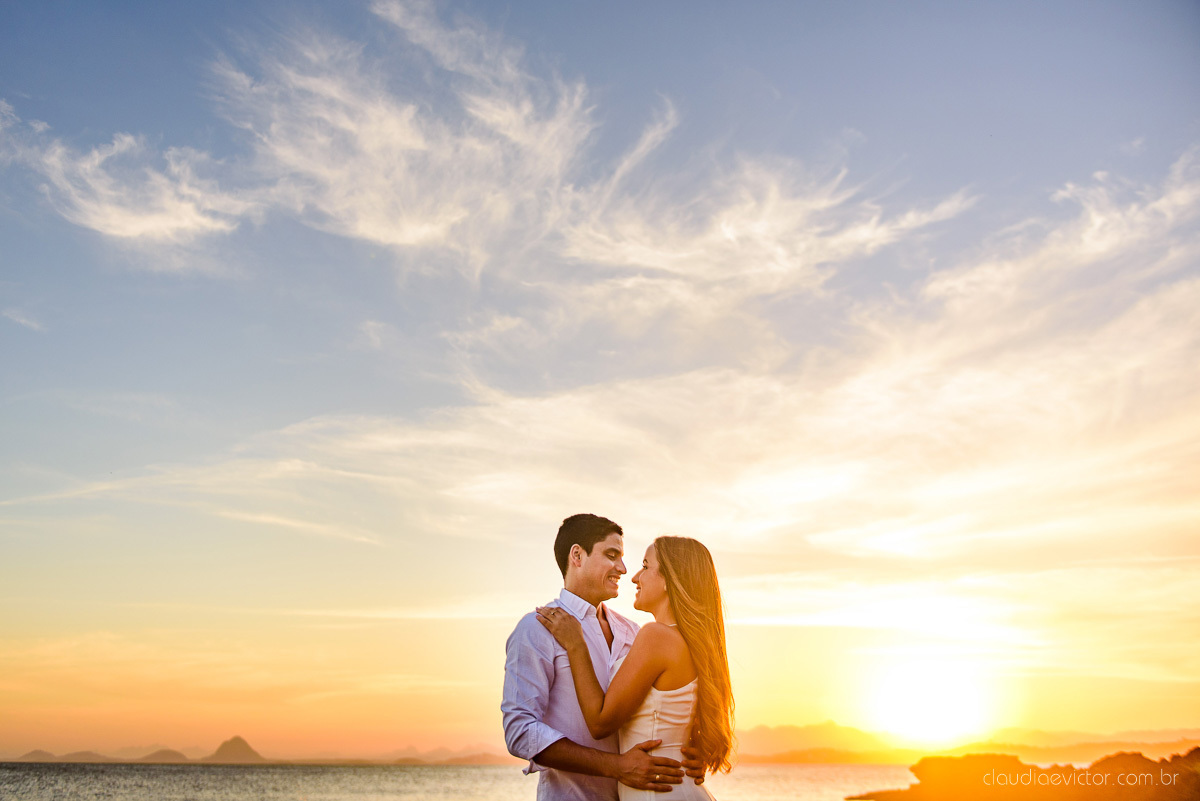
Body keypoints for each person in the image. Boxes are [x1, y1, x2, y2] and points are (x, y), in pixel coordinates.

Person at [503, 514, 707, 800]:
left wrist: (689, 748)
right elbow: (520, 731)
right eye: (612, 555)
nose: (623, 569)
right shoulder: (536, 629)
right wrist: (616, 767)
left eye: (624, 558)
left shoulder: (634, 632)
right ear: (577, 556)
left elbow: (664, 702)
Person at [536, 536, 733, 800]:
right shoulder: (689, 642)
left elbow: (599, 722)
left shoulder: (656, 637)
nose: (634, 577)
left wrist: (576, 644)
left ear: (668, 580)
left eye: (645, 566)